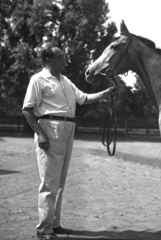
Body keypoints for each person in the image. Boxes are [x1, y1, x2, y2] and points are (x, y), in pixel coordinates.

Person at [22, 45, 116, 240]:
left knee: (60, 180)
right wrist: (40, 134)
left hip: (69, 128)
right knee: (49, 180)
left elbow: (84, 98)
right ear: (48, 60)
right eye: (60, 57)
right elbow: (27, 110)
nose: (65, 60)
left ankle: (54, 224)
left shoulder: (65, 81)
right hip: (50, 127)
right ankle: (44, 228)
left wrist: (106, 93)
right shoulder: (38, 80)